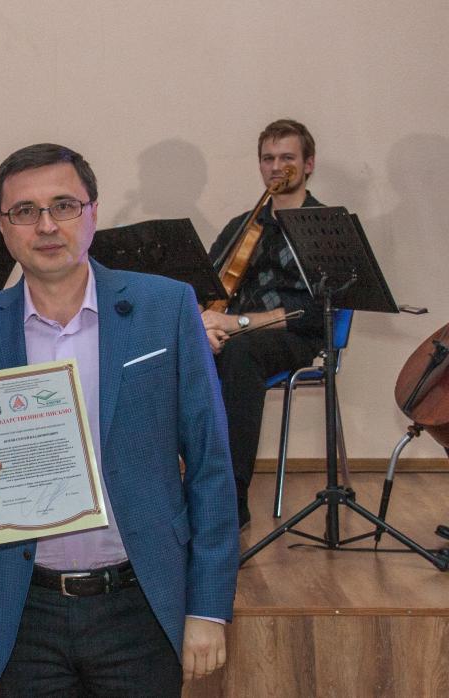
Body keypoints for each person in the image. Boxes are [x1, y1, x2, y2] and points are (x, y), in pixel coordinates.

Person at [0, 143, 239, 696]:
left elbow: (211, 464)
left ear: (93, 212)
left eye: (64, 205)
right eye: (25, 211)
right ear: (3, 226)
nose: (46, 225)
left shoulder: (165, 308)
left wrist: (207, 606)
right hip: (23, 613)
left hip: (141, 604)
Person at [201, 119, 324, 529]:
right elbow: (205, 286)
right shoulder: (243, 224)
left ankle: (231, 497)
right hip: (235, 333)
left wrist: (236, 323)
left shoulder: (323, 226)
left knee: (240, 353)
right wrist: (205, 326)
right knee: (171, 353)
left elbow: (313, 311)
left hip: (293, 337)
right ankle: (184, 484)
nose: (276, 167)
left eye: (287, 157)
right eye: (268, 158)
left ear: (308, 164)